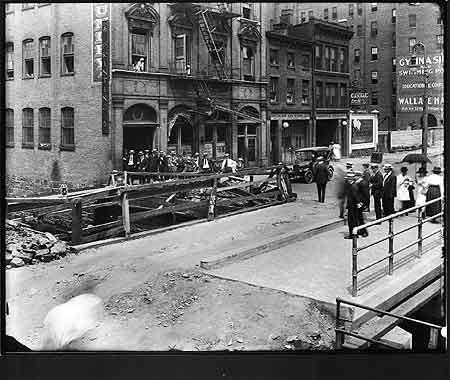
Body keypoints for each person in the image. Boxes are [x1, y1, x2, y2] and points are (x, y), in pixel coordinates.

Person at [344, 172, 368, 239]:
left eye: (348, 179)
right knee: (354, 220)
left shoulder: (353, 186)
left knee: (352, 221)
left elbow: (356, 196)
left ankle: (353, 235)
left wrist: (359, 203)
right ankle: (355, 233)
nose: (347, 180)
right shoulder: (353, 185)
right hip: (353, 206)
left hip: (353, 206)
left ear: (350, 179)